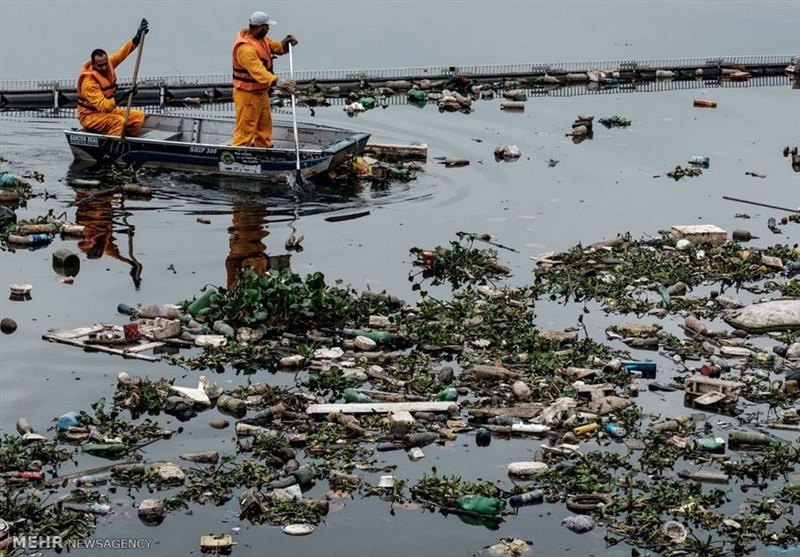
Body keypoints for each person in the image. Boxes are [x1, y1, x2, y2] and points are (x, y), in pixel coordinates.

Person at [231, 11, 298, 147]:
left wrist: (285, 45)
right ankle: (238, 154)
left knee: (264, 126)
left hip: (261, 93)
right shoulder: (245, 49)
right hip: (247, 94)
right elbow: (259, 72)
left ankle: (264, 149)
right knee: (245, 129)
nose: (268, 29)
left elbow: (274, 47)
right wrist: (280, 82)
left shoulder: (262, 40)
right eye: (267, 27)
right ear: (260, 27)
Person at [76, 19, 149, 137]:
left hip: (108, 112)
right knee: (118, 121)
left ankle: (128, 142)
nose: (104, 67)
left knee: (138, 117)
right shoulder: (88, 82)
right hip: (90, 116)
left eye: (105, 64)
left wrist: (136, 40)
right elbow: (103, 106)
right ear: (93, 65)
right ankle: (112, 149)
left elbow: (121, 53)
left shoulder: (108, 63)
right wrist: (122, 95)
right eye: (100, 66)